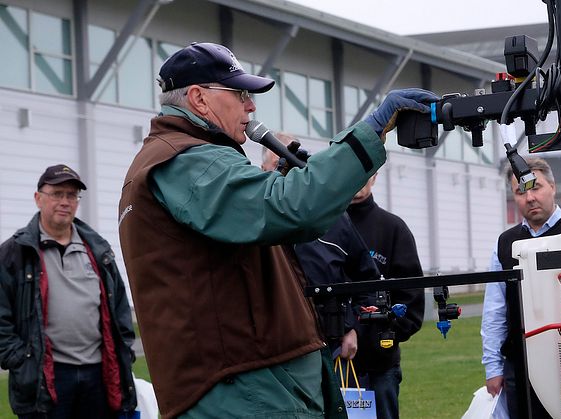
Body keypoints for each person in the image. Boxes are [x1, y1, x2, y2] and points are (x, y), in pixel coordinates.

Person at [116, 41, 437, 419]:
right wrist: (371, 130)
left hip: (250, 385)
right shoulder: (188, 161)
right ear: (200, 99)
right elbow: (290, 208)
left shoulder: (184, 158)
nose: (251, 106)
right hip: (243, 392)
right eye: (239, 94)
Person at [0, 164, 137, 418]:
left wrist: (124, 350)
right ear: (38, 198)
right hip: (47, 375)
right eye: (57, 193)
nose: (65, 201)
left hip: (98, 373)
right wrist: (21, 360)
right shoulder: (15, 253)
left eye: (72, 195)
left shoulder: (98, 249)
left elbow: (119, 306)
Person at [261, 133, 381, 361]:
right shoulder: (251, 219)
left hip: (328, 350)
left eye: (291, 164)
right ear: (263, 168)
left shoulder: (333, 218)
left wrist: (354, 328)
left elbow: (368, 282)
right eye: (278, 165)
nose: (286, 172)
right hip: (271, 352)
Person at [481, 158, 561, 418]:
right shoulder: (505, 244)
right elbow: (495, 310)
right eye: (520, 191)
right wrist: (493, 368)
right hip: (520, 363)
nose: (530, 197)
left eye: (536, 187)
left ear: (553, 187)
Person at [346, 173, 425, 419]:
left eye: (364, 170)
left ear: (375, 176)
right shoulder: (323, 227)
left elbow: (411, 300)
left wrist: (382, 337)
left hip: (380, 367)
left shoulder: (393, 229)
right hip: (335, 363)